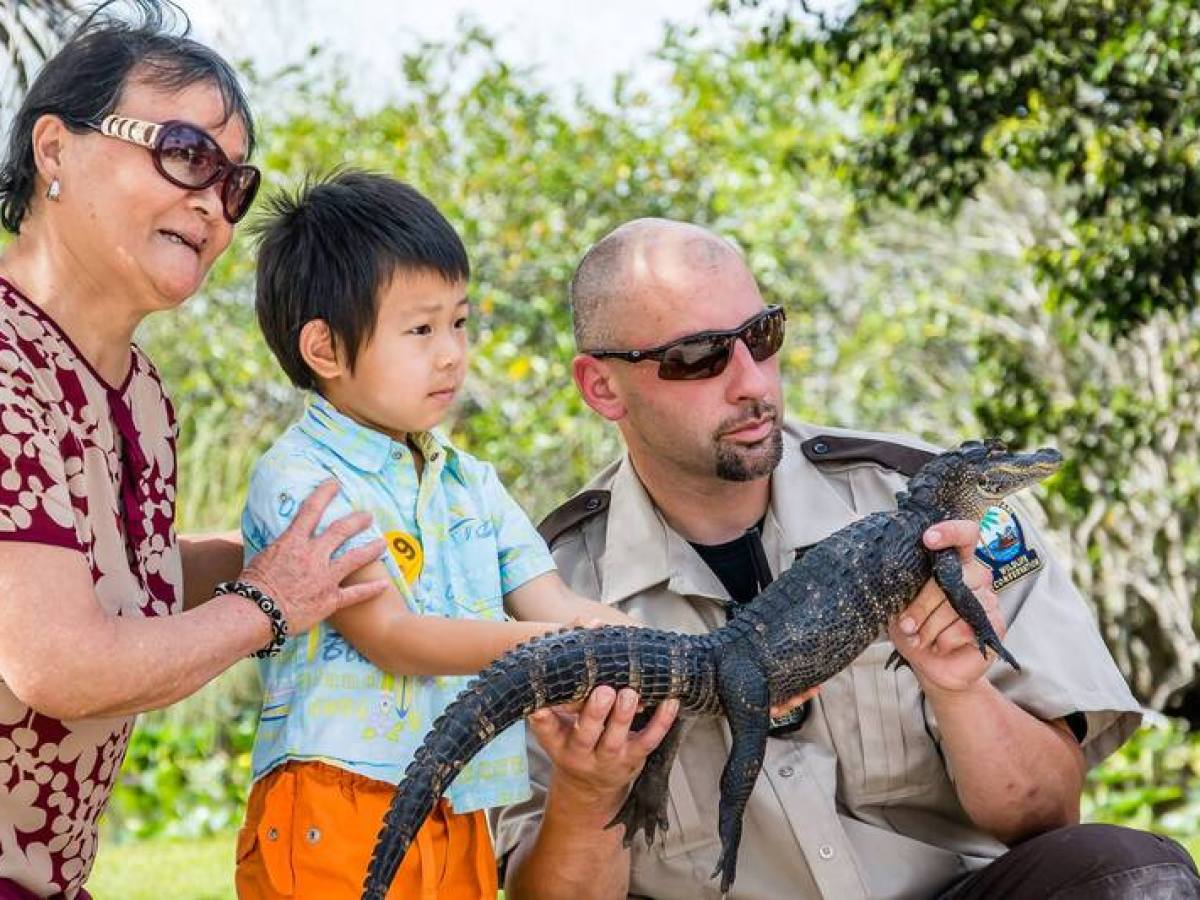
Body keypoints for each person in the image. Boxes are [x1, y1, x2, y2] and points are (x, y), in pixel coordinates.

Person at [493, 218, 1200, 899]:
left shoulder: (939, 507)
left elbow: (1050, 814)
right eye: (697, 358)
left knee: (1132, 873)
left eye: (761, 336)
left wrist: (961, 691)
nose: (752, 383)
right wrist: (588, 793)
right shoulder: (539, 590)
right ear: (602, 387)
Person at [0, 5, 391, 899]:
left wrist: (293, 554)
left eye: (233, 183)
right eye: (184, 153)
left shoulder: (139, 391)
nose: (213, 204)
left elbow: (92, 576)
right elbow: (57, 662)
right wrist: (270, 601)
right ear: (55, 150)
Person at [234, 171, 644, 900]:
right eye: (421, 330)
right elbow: (393, 635)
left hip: (459, 800)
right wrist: (562, 652)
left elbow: (552, 602)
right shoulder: (302, 479)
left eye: (459, 322)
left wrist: (644, 648)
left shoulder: (469, 482)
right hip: (338, 800)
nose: (452, 353)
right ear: (325, 349)